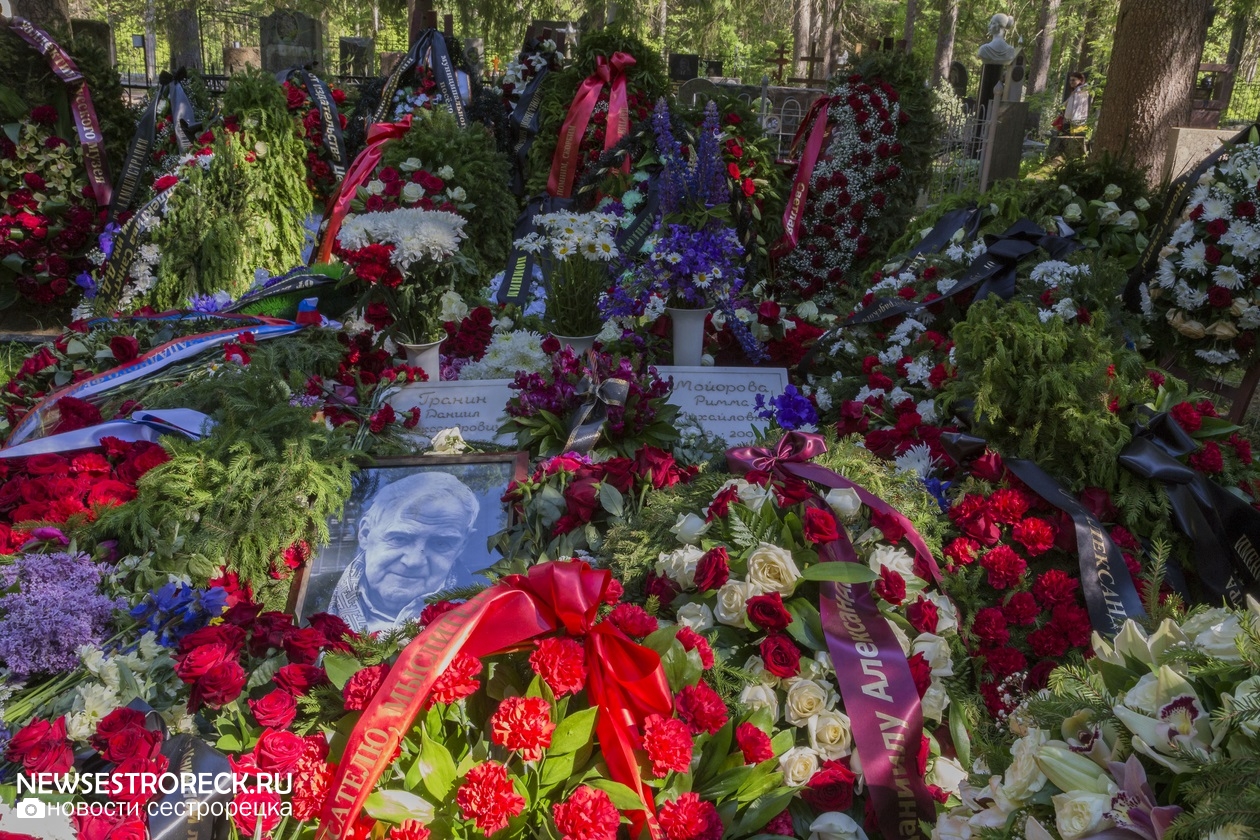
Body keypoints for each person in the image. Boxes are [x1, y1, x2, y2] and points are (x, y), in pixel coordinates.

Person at [328, 471, 480, 633]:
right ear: (365, 534)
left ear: (462, 545)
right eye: (399, 539)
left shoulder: (485, 608)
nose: (414, 561)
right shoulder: (313, 597)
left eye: (440, 543)